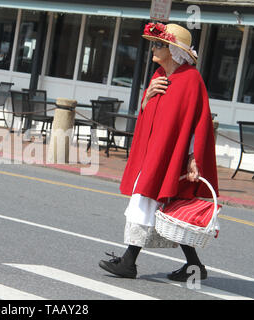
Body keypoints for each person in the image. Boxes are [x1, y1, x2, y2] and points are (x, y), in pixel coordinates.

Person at [99, 23, 219, 282]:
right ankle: (193, 265)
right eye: (154, 44)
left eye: (159, 44)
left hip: (173, 155)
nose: (154, 48)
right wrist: (146, 99)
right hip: (152, 152)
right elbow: (150, 117)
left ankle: (129, 262)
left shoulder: (191, 80)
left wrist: (194, 158)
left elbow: (199, 123)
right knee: (162, 207)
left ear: (175, 51)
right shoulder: (158, 77)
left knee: (149, 200)